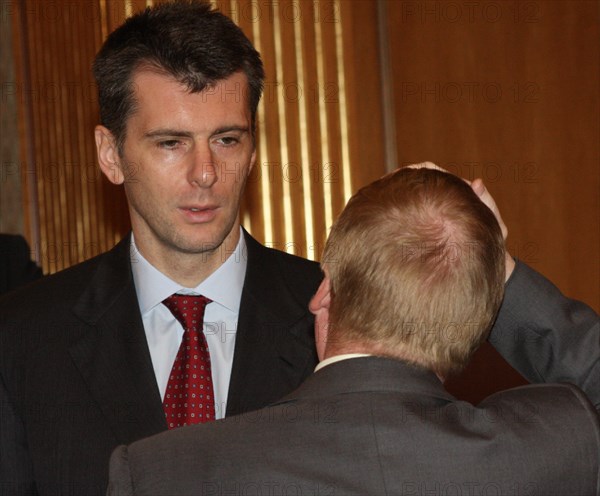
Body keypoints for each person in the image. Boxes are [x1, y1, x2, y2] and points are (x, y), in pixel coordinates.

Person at [0, 1, 597, 495]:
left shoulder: (347, 314)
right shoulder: (23, 337)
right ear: (110, 154)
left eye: (227, 139)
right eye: (171, 143)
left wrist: (484, 267)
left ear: (254, 148)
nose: (205, 172)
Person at [107, 168, 600, 496]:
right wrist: (500, 272)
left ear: (325, 293)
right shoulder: (550, 448)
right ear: (475, 323)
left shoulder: (164, 473)